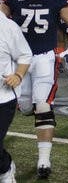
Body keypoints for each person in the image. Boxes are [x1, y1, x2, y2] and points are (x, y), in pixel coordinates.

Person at [0, 0, 68, 178]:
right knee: (26, 106)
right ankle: (29, 109)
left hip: (45, 56)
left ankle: (44, 161)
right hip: (20, 59)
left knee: (43, 104)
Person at [0, 10, 32, 183]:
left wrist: (18, 75)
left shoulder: (7, 26)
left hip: (3, 96)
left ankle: (5, 170)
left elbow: (25, 54)